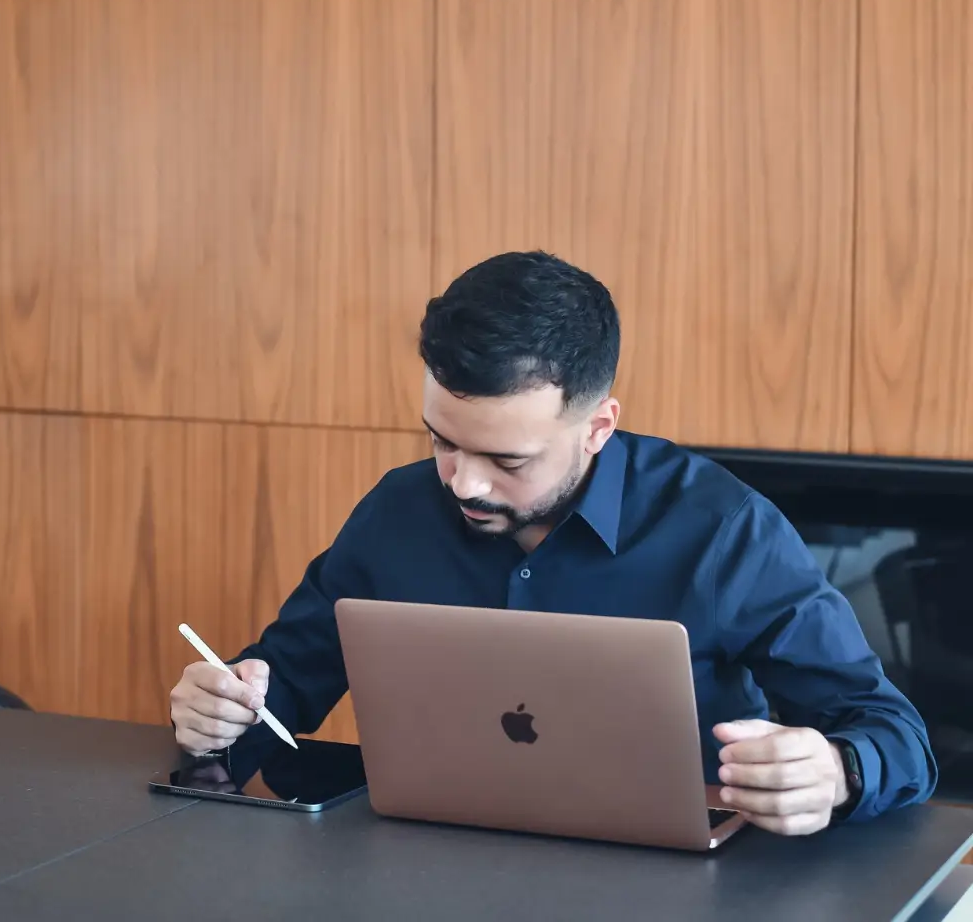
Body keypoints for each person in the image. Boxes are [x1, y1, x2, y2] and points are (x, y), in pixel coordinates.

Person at [169, 250, 937, 835]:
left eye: (506, 460)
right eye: (442, 440)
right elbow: (281, 688)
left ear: (597, 426)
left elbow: (896, 737)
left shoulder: (723, 532)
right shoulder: (397, 512)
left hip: (665, 889)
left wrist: (837, 770)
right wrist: (223, 715)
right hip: (422, 869)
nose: (462, 482)